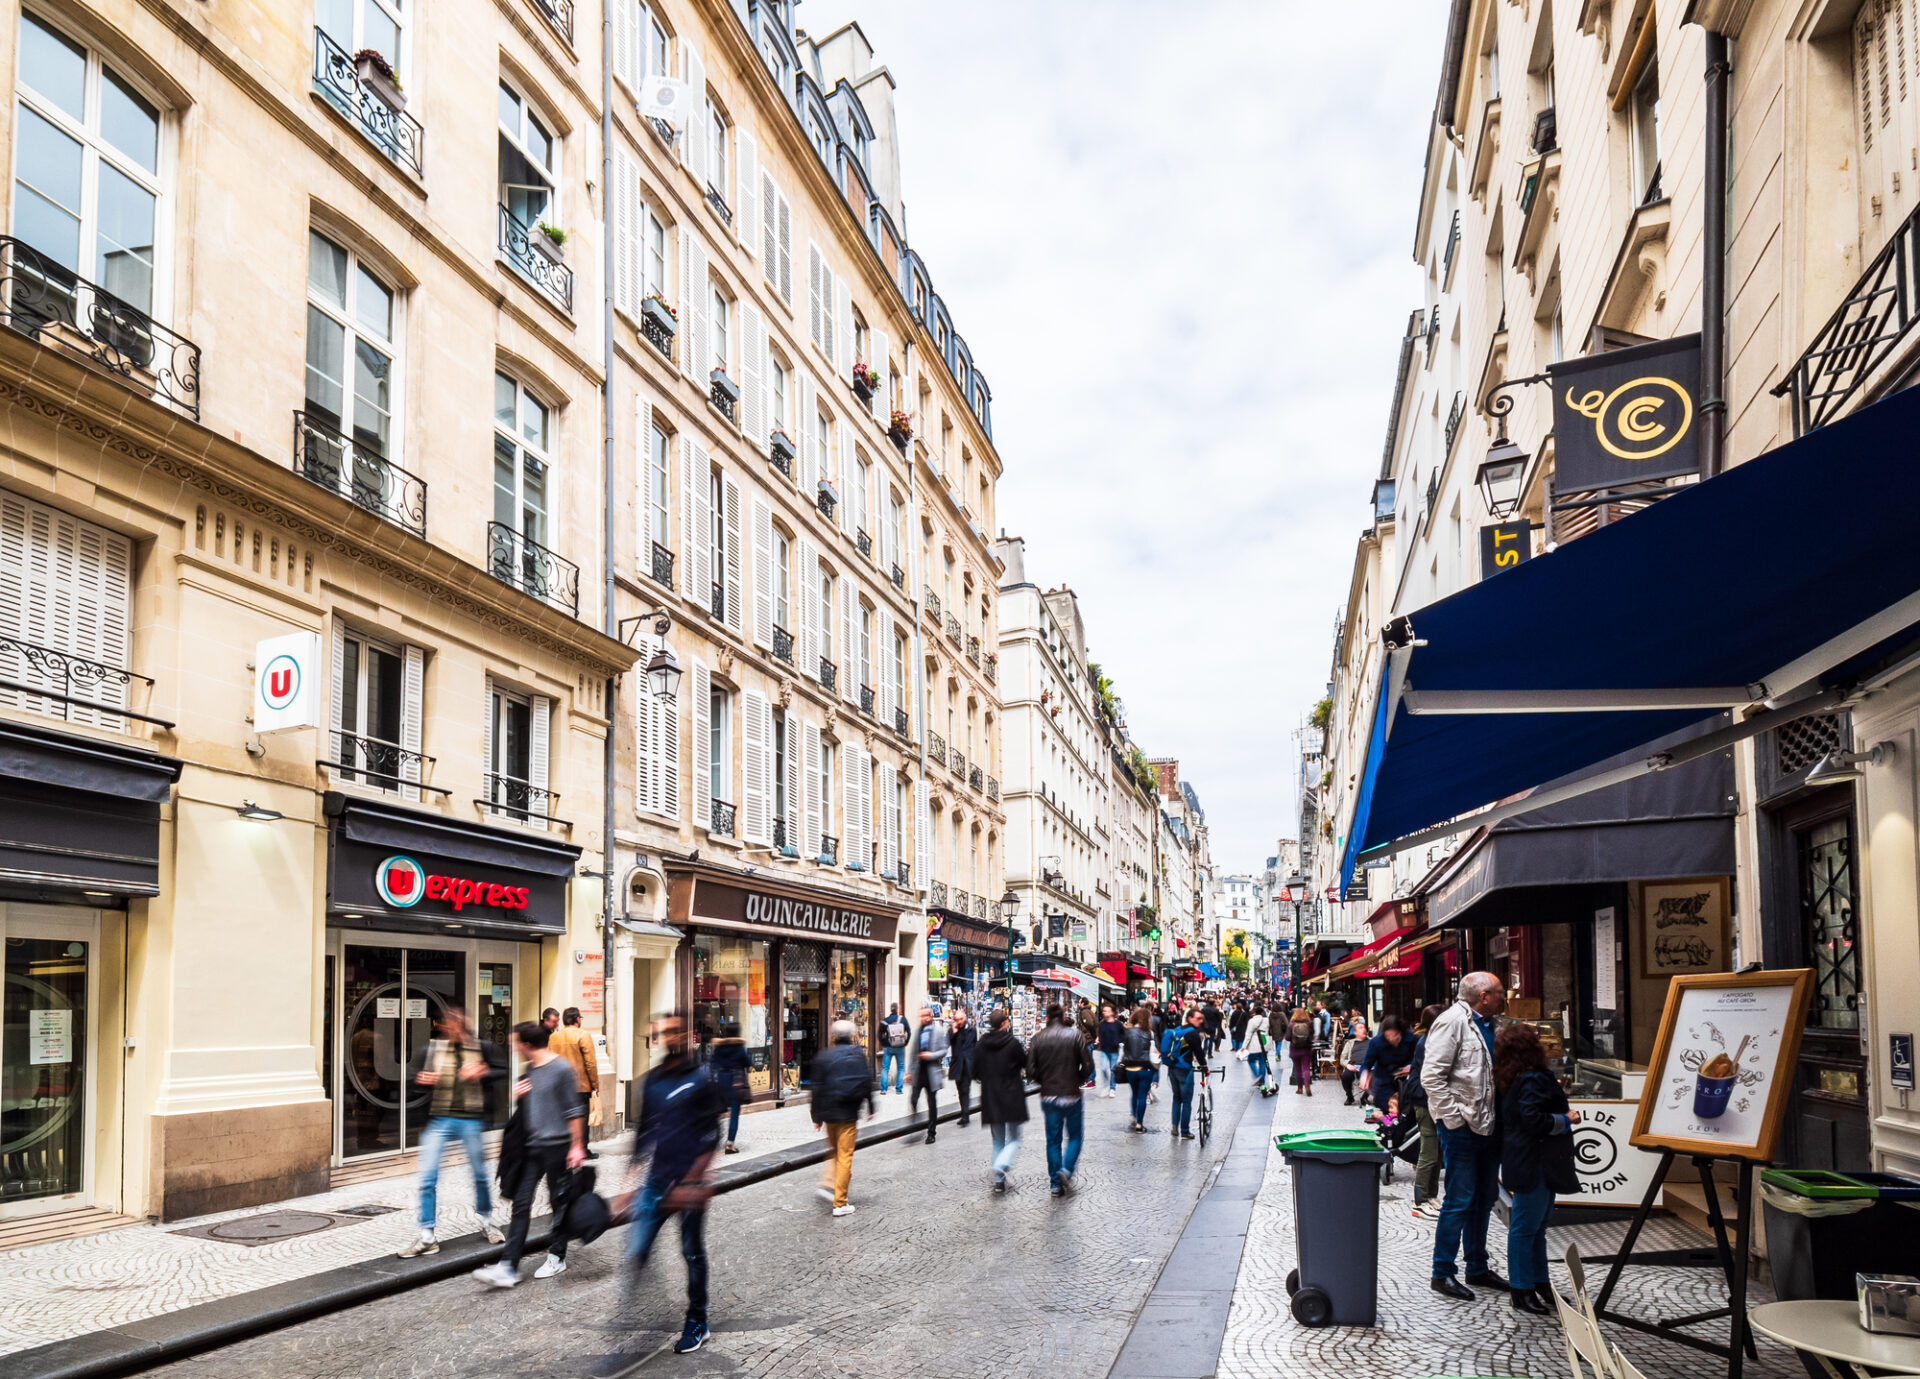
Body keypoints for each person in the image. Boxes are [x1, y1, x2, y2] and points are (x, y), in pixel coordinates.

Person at [612, 1013, 725, 1354]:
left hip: (689, 1184)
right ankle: (641, 1301)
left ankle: (697, 1321)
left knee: (691, 1252)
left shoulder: (703, 1078)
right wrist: (630, 1182)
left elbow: (712, 1134)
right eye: (664, 1032)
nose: (669, 1037)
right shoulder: (652, 1081)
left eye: (676, 1031)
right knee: (637, 1247)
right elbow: (645, 1131)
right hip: (657, 1180)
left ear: (687, 1035)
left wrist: (693, 1181)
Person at [474, 1020, 584, 1288]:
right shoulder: (528, 1070)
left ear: (525, 1044)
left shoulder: (561, 1068)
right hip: (532, 1147)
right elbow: (534, 1109)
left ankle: (557, 1256)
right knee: (522, 1203)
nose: (513, 1047)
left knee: (559, 1203)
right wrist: (520, 1097)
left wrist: (577, 1146)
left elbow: (574, 1110)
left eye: (515, 1043)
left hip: (558, 1147)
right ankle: (509, 1266)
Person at [1422, 971, 1509, 1302]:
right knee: (1460, 1199)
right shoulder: (1452, 1022)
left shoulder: (1488, 1024)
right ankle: (1442, 1272)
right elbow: (1432, 1076)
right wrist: (1454, 1119)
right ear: (1483, 996)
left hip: (1488, 1124)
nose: (1504, 997)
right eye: (1500, 992)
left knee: (1485, 1197)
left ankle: (1477, 1266)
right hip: (1462, 1127)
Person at [399, 1007, 506, 1257]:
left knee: (479, 1174)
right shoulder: (433, 1049)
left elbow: (503, 1069)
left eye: (457, 1025)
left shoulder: (482, 1048)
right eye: (449, 1025)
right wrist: (422, 1079)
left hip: (471, 1119)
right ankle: (427, 1236)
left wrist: (483, 1071)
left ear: (465, 1025)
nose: (453, 1029)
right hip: (440, 1120)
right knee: (428, 1177)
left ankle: (487, 1222)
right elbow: (413, 1076)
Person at [1495, 1021, 1580, 1314]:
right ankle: (1522, 1288)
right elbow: (1532, 1120)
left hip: (1532, 1159)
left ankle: (1539, 1283)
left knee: (1536, 1227)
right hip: (1535, 1160)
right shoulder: (1531, 1079)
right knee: (1526, 1227)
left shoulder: (1514, 1077)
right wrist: (1567, 1118)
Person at [810, 1019, 876, 1216]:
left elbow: (817, 1088)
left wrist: (816, 1116)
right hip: (848, 1114)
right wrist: (870, 1107)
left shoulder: (824, 1057)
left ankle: (829, 1185)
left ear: (833, 1036)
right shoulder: (858, 1056)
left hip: (829, 1114)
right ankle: (840, 1203)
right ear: (852, 1036)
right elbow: (866, 1082)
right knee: (845, 1157)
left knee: (835, 1153)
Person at [1029, 1002, 1096, 1195]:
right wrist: (1078, 1079)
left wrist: (1045, 1081)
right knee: (1075, 1136)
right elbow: (1088, 1065)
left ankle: (1055, 1183)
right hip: (1071, 1094)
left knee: (1053, 1140)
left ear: (1047, 1017)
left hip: (1049, 1096)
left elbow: (1031, 1070)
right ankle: (1066, 1169)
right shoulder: (1075, 1036)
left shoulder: (1038, 1038)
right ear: (1063, 1015)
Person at [973, 1007, 1029, 1192]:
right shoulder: (1012, 1043)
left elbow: (975, 1071)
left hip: (991, 1097)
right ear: (1004, 1023)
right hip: (1011, 1096)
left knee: (998, 1140)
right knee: (1014, 1138)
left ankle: (999, 1181)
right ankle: (1002, 1164)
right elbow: (1025, 1063)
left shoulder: (981, 1044)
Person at [1407, 1003, 1446, 1220]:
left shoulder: (1430, 1039)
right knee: (1429, 1152)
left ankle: (1431, 1196)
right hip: (1424, 1099)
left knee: (1436, 1151)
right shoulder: (1427, 1042)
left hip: (1430, 1098)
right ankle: (1420, 1201)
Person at [550, 1007, 603, 1160]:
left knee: (563, 1118)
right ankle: (582, 1149)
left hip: (559, 1086)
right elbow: (590, 1063)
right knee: (581, 1119)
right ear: (577, 1019)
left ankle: (565, 1148)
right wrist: (595, 1083)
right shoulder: (583, 1035)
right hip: (580, 1086)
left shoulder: (554, 1037)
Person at [1160, 1007, 1207, 1140]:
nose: (1200, 1021)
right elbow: (1199, 1053)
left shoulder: (1178, 1030)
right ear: (1190, 1018)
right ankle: (1185, 1131)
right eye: (1198, 1018)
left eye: (1201, 1019)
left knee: (1176, 1098)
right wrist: (1205, 1067)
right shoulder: (1192, 1033)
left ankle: (1174, 1126)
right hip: (1185, 1070)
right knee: (1186, 1101)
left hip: (1172, 1068)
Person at [908, 1004, 949, 1142]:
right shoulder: (916, 1032)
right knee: (913, 1100)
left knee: (932, 1103)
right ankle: (916, 1123)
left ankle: (931, 1133)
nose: (924, 1018)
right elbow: (913, 1053)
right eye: (922, 1016)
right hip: (919, 1072)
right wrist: (909, 1072)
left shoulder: (938, 1031)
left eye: (926, 1015)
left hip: (931, 1073)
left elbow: (944, 1051)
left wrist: (930, 1055)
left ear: (931, 1016)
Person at [1357, 1014, 1414, 1111]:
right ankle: (1386, 1122)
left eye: (1395, 1035)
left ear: (1400, 1032)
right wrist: (1364, 1075)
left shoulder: (1411, 1039)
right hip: (1384, 1077)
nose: (1391, 1039)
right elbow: (1367, 1063)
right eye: (1388, 1036)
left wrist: (1411, 1066)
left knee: (1406, 1109)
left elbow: (1417, 1057)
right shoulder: (1376, 1042)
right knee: (1384, 1109)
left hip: (1406, 1079)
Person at [707, 1033, 750, 1155]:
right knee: (734, 1115)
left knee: (715, 1114)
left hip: (721, 1084)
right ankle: (729, 1145)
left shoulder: (719, 1048)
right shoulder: (739, 1048)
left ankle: (710, 1142)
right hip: (735, 1085)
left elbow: (712, 1064)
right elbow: (748, 1062)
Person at [1121, 1006, 1157, 1131]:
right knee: (1142, 1095)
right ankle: (1139, 1124)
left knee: (1134, 1093)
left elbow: (1124, 1049)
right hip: (1145, 1068)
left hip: (1130, 1068)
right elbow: (1154, 1051)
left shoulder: (1127, 1032)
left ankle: (1133, 1116)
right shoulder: (1149, 1033)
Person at [948, 1007, 977, 1127]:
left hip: (968, 1065)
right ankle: (964, 1113)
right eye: (957, 1019)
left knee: (966, 1089)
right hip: (957, 1065)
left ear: (964, 1018)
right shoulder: (952, 1031)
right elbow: (948, 1043)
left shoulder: (972, 1030)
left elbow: (975, 1046)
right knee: (960, 1091)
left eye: (960, 1019)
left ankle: (965, 1115)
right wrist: (953, 1033)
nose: (959, 1021)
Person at [1094, 1003, 1123, 1098]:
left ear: (1112, 1012)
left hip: (1114, 1050)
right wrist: (1098, 1039)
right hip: (1104, 1050)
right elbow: (1100, 1034)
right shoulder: (1101, 1024)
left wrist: (1119, 1042)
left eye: (1106, 1010)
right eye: (1103, 1010)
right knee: (1103, 1068)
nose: (1104, 1012)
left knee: (1113, 1070)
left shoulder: (1118, 1024)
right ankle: (1106, 1086)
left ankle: (1112, 1088)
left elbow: (1123, 1035)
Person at [1338, 1017, 1369, 1104]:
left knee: (1375, 1076)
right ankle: (1350, 1096)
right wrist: (1348, 1065)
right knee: (1346, 1076)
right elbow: (1342, 1058)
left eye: (1364, 1028)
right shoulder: (1350, 1043)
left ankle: (1365, 1097)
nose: (1363, 1030)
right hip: (1353, 1065)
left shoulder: (1372, 1042)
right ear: (1355, 1032)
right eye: (1360, 1028)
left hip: (1367, 1067)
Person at [1286, 1006, 1317, 1095]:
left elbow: (1287, 1038)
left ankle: (1300, 1088)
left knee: (1298, 1069)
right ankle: (1307, 1085)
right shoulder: (1309, 1024)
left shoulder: (1291, 1025)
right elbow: (1312, 1035)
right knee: (1306, 1068)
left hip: (1295, 1049)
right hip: (1306, 1049)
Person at [879, 1004, 909, 1093]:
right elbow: (909, 1032)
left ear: (891, 1010)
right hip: (900, 1046)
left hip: (888, 1047)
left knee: (885, 1068)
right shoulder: (903, 1020)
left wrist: (884, 1043)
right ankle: (899, 1089)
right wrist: (905, 1042)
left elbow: (880, 1034)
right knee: (900, 1067)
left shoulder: (885, 1021)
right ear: (897, 1009)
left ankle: (883, 1089)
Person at [1243, 1003, 1273, 1095]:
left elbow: (1248, 1035)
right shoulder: (1266, 1020)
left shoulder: (1252, 1021)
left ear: (1254, 1013)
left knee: (1251, 1060)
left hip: (1255, 1043)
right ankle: (1262, 1083)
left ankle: (1257, 1076)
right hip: (1265, 1041)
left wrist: (1244, 1046)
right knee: (1262, 1062)